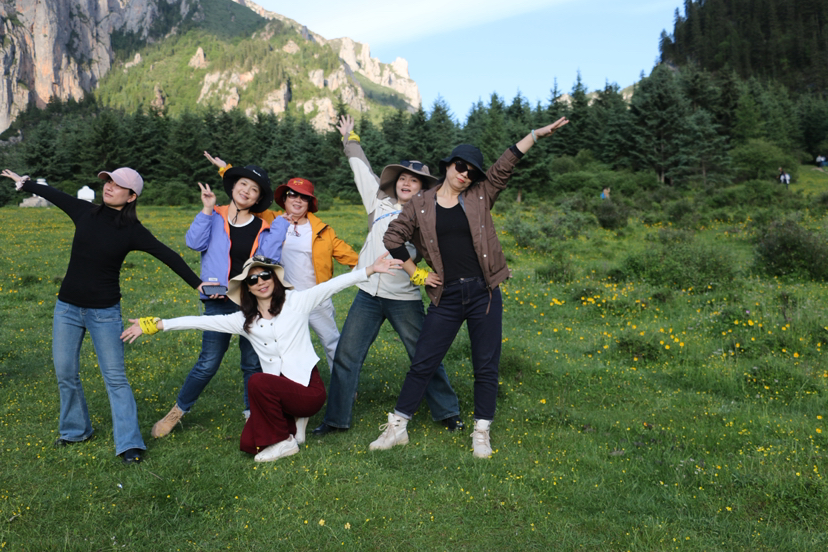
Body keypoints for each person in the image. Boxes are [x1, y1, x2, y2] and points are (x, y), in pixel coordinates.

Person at [370, 117, 569, 458]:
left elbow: (504, 165)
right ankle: (397, 428)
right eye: (460, 167)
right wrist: (417, 275)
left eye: (472, 172)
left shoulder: (480, 195)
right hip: (446, 295)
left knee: (485, 365)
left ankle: (481, 432)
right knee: (423, 362)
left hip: (483, 293)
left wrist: (534, 135)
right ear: (449, 165)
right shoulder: (421, 203)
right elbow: (393, 238)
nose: (465, 175)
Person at [1, 167, 209, 464]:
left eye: (118, 185)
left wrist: (198, 284)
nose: (109, 187)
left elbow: (168, 255)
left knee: (115, 378)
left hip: (104, 313)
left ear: (131, 196)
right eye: (108, 181)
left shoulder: (132, 230)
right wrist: (25, 183)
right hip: (67, 309)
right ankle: (75, 431)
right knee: (65, 373)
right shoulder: (84, 211)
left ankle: (129, 443)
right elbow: (54, 194)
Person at [122, 253, 403, 462]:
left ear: (274, 278)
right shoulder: (243, 320)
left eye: (265, 275)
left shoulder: (296, 302)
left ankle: (285, 441)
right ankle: (294, 429)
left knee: (257, 381)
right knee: (249, 444)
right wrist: (157, 325)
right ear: (247, 288)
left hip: (308, 392)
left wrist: (370, 269)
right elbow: (200, 322)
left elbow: (334, 285)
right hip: (280, 394)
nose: (260, 282)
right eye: (253, 280)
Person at [312, 115, 463, 437]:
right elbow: (361, 168)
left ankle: (448, 412)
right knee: (347, 355)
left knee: (423, 355)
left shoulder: (428, 217)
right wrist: (349, 138)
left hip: (403, 298)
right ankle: (335, 420)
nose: (406, 183)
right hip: (367, 294)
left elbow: (444, 251)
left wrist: (433, 278)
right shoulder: (377, 203)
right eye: (402, 178)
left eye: (414, 181)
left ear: (423, 188)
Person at [150, 153, 290, 439]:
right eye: (243, 184)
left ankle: (253, 415)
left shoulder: (263, 226)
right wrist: (206, 209)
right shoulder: (214, 216)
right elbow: (194, 243)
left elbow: (269, 260)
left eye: (254, 189)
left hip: (252, 302)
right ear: (233, 186)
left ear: (258, 198)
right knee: (208, 361)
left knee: (252, 363)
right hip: (218, 302)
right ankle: (177, 412)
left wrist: (281, 227)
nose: (246, 191)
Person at [263, 178, 359, 372]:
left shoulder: (323, 230)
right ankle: (288, 384)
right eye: (292, 194)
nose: (297, 200)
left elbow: (351, 257)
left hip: (316, 297)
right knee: (281, 346)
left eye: (304, 197)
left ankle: (343, 384)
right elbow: (247, 197)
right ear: (284, 198)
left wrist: (373, 267)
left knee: (332, 342)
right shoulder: (271, 219)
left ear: (310, 202)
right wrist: (226, 171)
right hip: (284, 299)